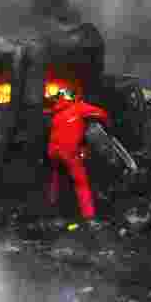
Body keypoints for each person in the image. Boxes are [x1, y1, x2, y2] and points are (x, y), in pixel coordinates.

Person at [47, 87, 109, 220]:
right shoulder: (79, 107)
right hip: (69, 152)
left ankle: (52, 207)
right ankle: (89, 216)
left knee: (56, 178)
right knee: (81, 184)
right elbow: (102, 113)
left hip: (53, 152)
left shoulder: (56, 114)